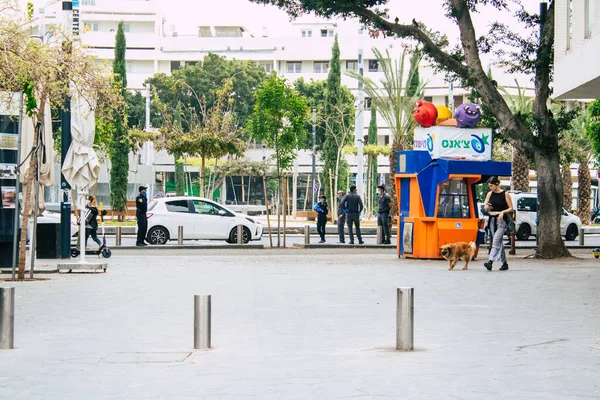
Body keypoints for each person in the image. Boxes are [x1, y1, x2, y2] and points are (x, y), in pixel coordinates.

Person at [483, 176, 514, 271]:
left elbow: (511, 208)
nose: (490, 187)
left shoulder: (505, 194)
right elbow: (485, 206)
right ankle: (504, 263)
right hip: (492, 220)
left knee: (496, 240)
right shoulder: (489, 194)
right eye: (489, 186)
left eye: (491, 185)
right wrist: (486, 207)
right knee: (499, 241)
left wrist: (502, 212)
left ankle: (490, 261)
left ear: (496, 184)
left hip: (501, 221)